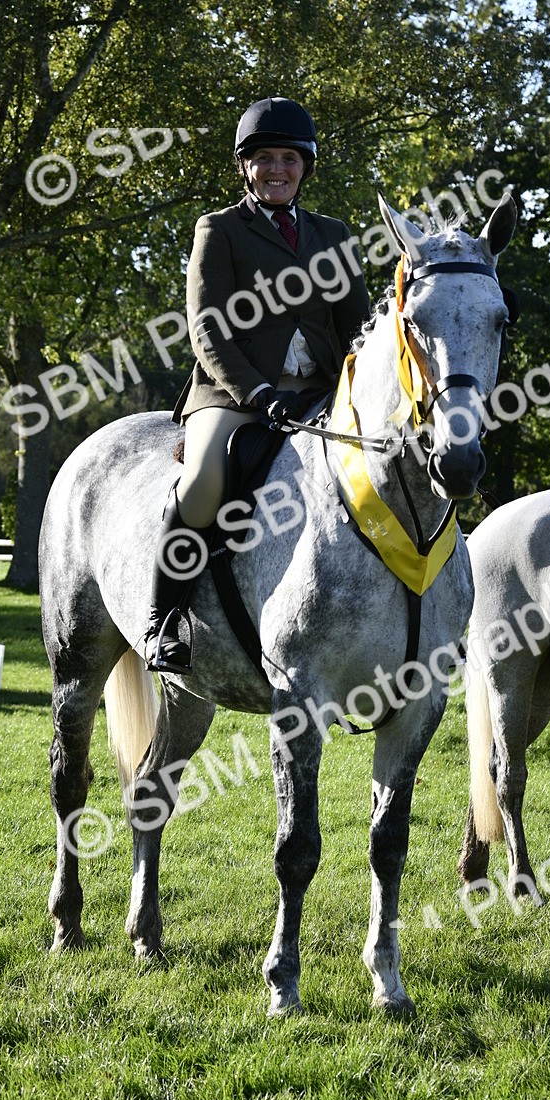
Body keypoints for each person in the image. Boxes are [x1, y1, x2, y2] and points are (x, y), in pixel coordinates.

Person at [144, 96, 371, 670]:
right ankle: (162, 620)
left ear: (306, 167)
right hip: (234, 393)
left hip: (321, 391)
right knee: (202, 480)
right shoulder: (219, 229)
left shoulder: (332, 233)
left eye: (289, 159)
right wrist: (255, 392)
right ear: (245, 165)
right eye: (264, 158)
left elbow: (359, 327)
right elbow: (207, 327)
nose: (277, 170)